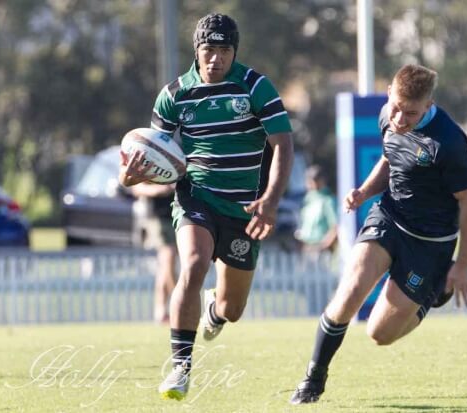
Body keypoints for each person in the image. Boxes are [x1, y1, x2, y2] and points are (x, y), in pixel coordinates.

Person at [118, 13, 294, 401]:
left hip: (243, 208)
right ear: (196, 52)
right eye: (208, 50)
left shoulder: (255, 87)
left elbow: (283, 144)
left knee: (233, 308)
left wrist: (272, 200)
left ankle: (214, 310)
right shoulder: (175, 94)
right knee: (194, 263)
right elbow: (153, 158)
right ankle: (180, 368)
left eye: (224, 50)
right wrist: (131, 178)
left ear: (235, 52)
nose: (215, 59)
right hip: (195, 195)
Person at [289, 64, 467, 404]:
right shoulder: (386, 116)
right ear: (390, 90)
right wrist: (364, 191)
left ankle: (432, 294)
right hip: (390, 218)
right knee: (350, 290)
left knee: (380, 334)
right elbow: (389, 158)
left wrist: (461, 265)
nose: (400, 119)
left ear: (429, 104)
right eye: (396, 107)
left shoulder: (448, 142)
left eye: (411, 113)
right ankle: (313, 377)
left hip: (430, 245)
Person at [131, 183, 178, 324]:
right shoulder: (152, 162)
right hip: (159, 216)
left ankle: (161, 312)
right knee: (167, 259)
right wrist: (161, 190)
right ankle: (179, 306)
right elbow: (137, 188)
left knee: (164, 268)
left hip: (181, 214)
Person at [294, 165, 338, 254]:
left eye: (313, 180)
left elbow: (336, 227)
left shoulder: (328, 200)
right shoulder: (308, 200)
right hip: (306, 247)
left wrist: (324, 246)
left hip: (321, 249)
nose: (310, 184)